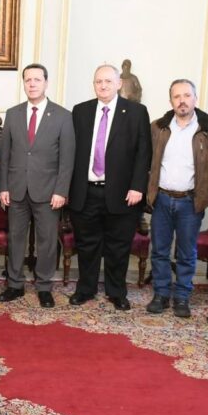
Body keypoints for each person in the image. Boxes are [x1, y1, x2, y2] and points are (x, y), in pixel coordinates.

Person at [68, 64, 151, 310]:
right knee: (87, 245)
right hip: (86, 192)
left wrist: (138, 187)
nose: (102, 86)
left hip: (123, 194)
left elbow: (143, 153)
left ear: (118, 84)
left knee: (118, 246)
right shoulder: (80, 111)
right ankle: (86, 289)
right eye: (98, 82)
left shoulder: (136, 112)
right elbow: (72, 153)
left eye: (107, 81)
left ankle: (117, 292)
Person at [0, 63, 75, 308]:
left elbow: (67, 158)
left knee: (47, 242)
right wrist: (3, 187)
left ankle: (44, 287)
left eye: (37, 80)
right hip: (17, 189)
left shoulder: (63, 116)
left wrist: (61, 191)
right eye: (28, 80)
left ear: (46, 83)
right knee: (15, 240)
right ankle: (15, 284)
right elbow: (5, 155)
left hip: (48, 192)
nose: (32, 84)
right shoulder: (13, 113)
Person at [145, 79, 208, 318]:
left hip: (190, 202)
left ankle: (182, 298)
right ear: (171, 101)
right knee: (159, 251)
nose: (182, 101)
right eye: (177, 97)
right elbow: (147, 161)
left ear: (195, 99)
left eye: (187, 95)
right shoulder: (158, 127)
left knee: (187, 253)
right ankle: (161, 294)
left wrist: (204, 189)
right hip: (162, 200)